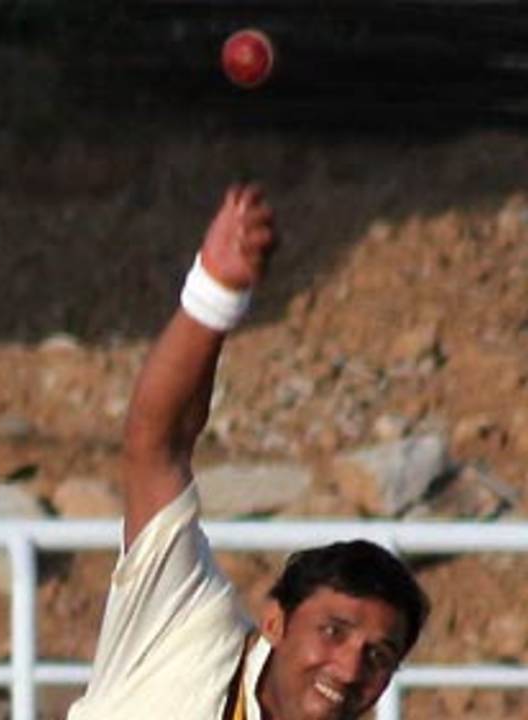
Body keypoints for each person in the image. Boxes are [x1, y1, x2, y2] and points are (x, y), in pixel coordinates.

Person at [66, 185, 429, 720]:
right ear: (275, 622)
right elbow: (155, 445)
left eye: (378, 657)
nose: (350, 670)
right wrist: (214, 294)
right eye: (334, 632)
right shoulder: (184, 628)